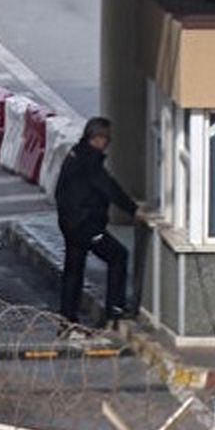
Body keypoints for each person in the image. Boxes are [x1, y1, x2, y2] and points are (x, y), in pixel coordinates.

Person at [55, 117, 143, 326]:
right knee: (118, 255)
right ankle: (114, 310)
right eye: (107, 139)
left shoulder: (75, 154)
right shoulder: (90, 161)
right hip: (86, 225)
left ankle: (67, 317)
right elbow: (109, 188)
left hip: (69, 222)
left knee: (73, 270)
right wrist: (133, 210)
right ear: (98, 138)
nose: (108, 144)